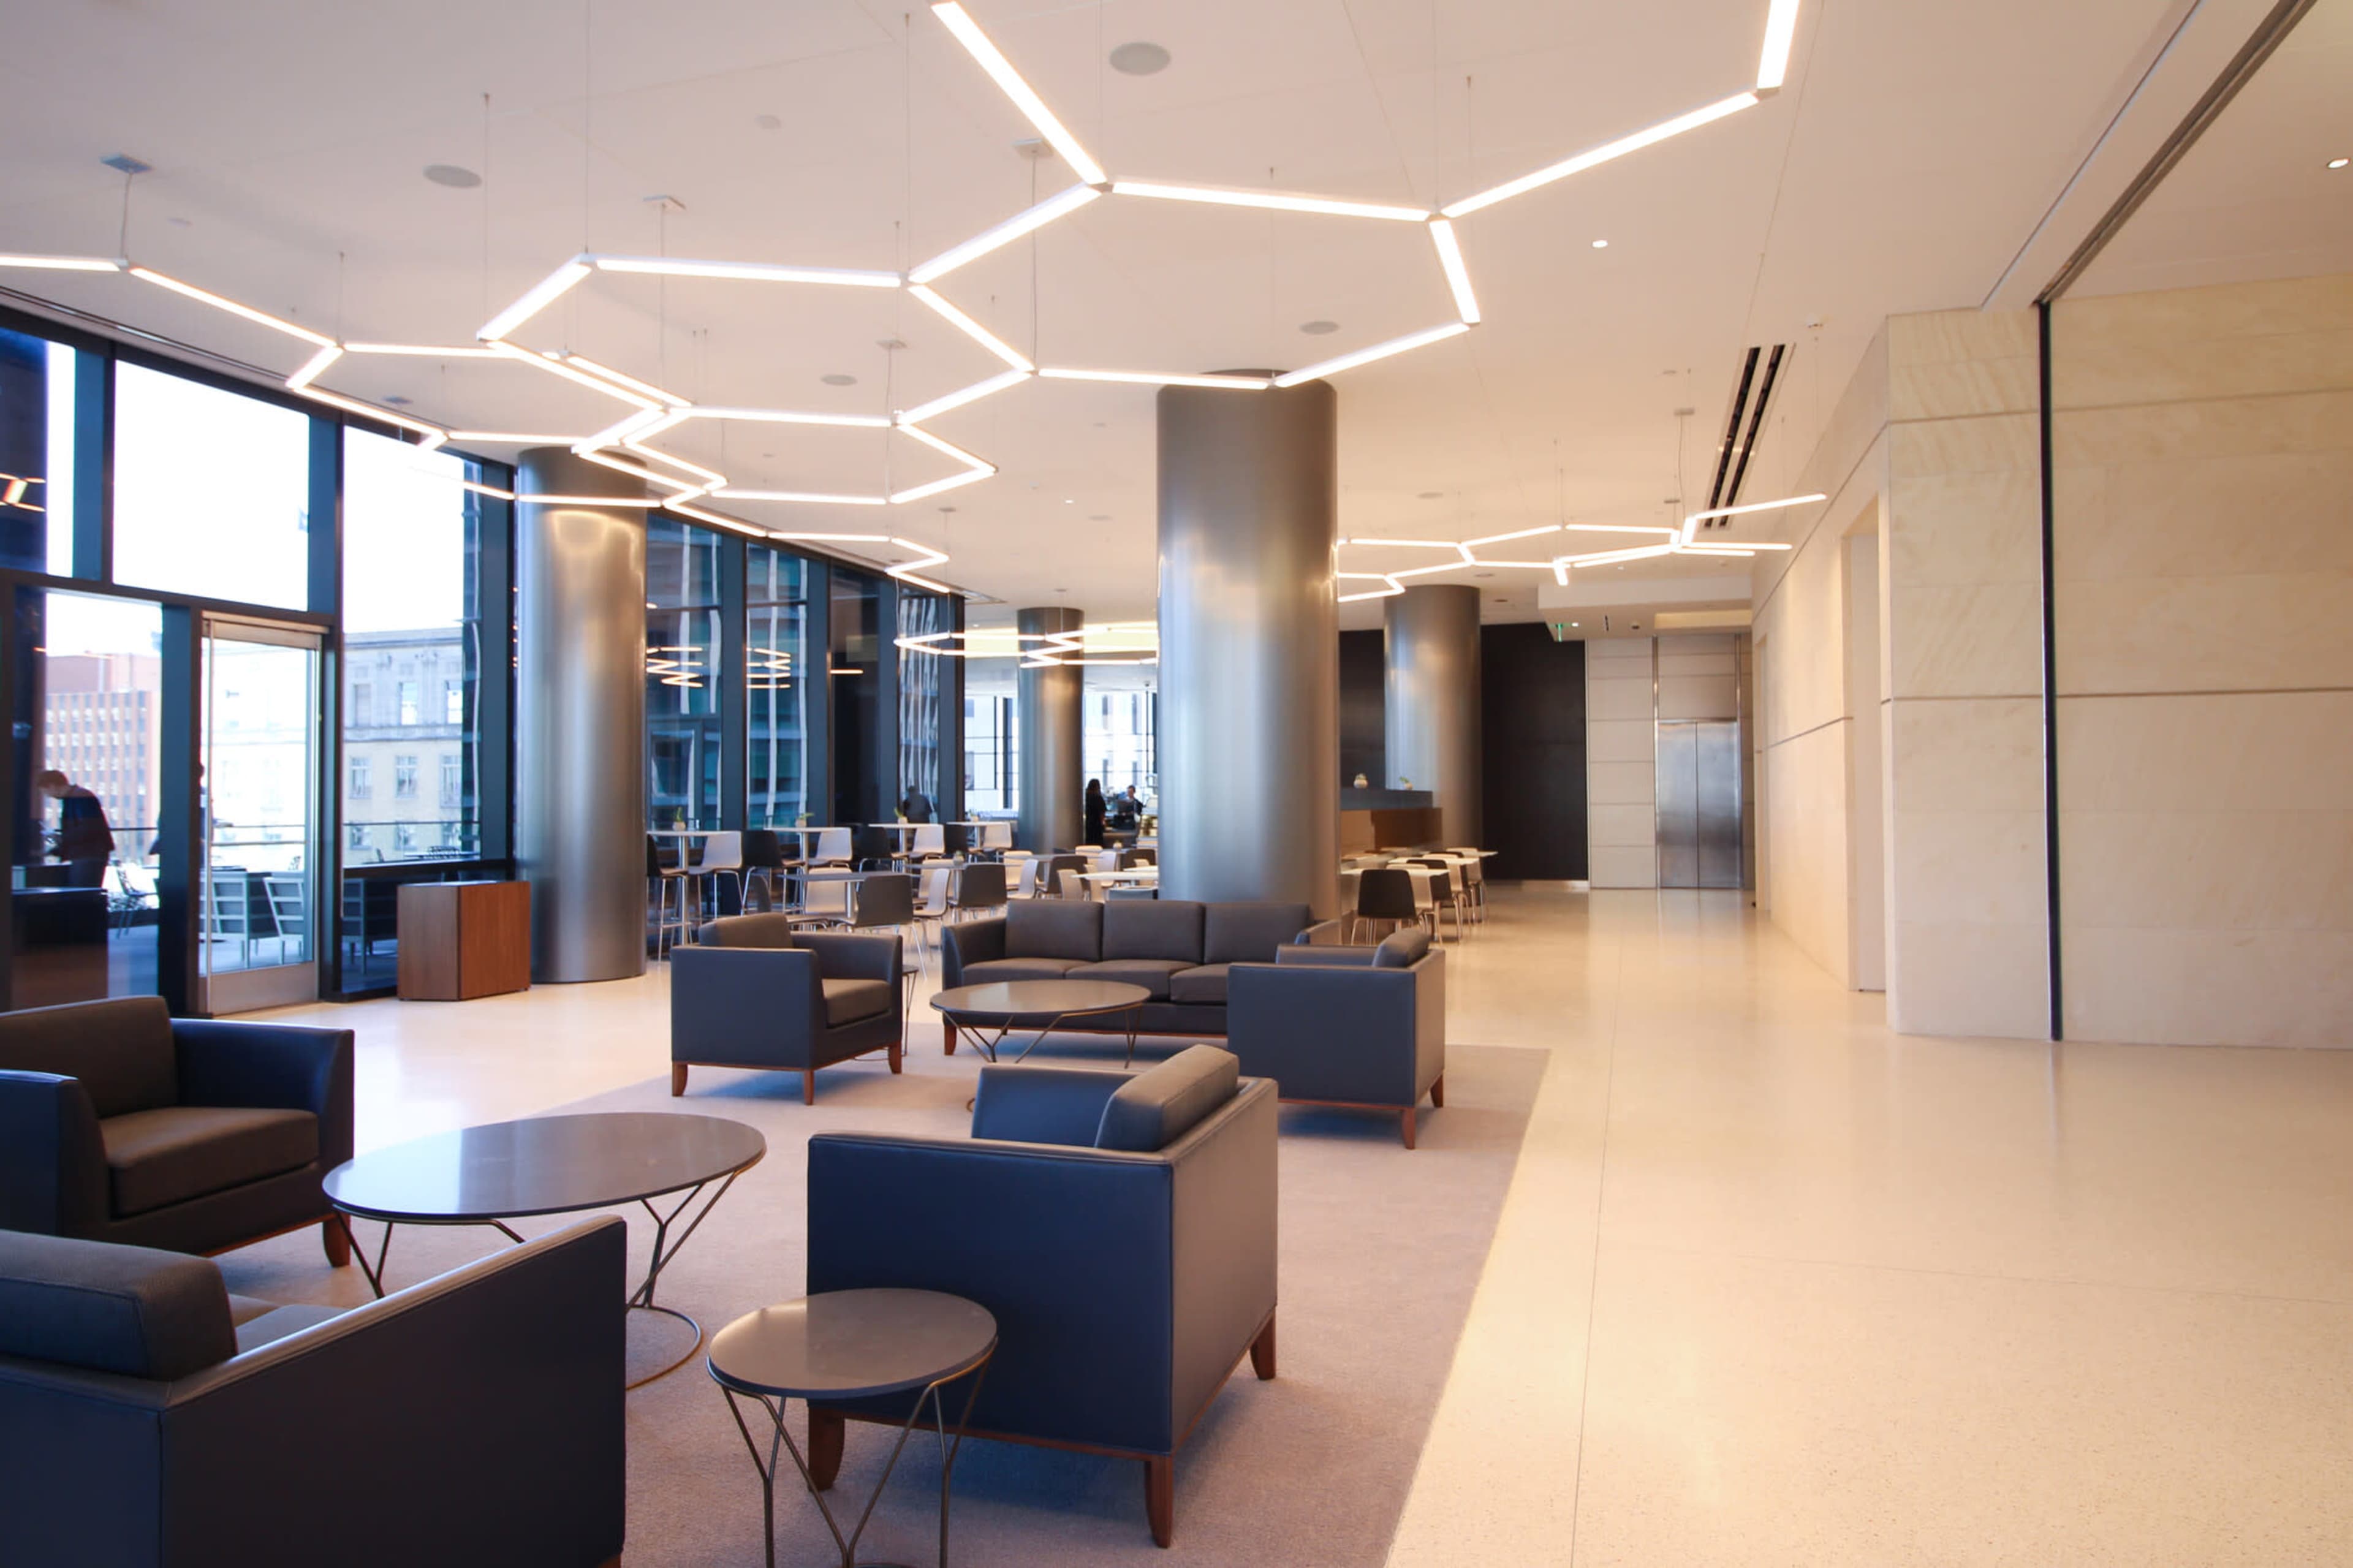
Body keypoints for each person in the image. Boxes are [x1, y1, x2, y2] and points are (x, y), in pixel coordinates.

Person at [38, 769, 114, 888]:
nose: (48, 796)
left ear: (52, 786)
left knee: (82, 893)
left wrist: (61, 839)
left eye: (46, 791)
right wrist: (55, 850)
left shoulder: (80, 797)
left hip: (89, 855)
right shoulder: (77, 797)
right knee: (82, 893)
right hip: (88, 854)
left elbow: (89, 829)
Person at [1082, 778, 1106, 846]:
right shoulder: (1098, 798)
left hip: (1086, 826)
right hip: (1096, 827)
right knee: (1097, 846)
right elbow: (1102, 814)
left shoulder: (1084, 797)